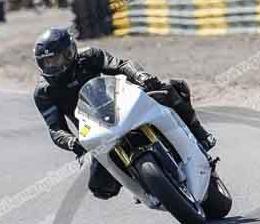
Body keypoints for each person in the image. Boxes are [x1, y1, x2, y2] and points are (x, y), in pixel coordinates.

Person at [33, 27, 216, 200]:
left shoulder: (90, 56)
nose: (53, 66)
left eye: (56, 59)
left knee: (170, 89)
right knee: (101, 188)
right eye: (47, 62)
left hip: (120, 105)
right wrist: (73, 142)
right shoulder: (43, 92)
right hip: (94, 131)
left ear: (70, 52)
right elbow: (55, 128)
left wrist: (140, 76)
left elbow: (121, 65)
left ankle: (200, 134)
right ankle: (141, 182)